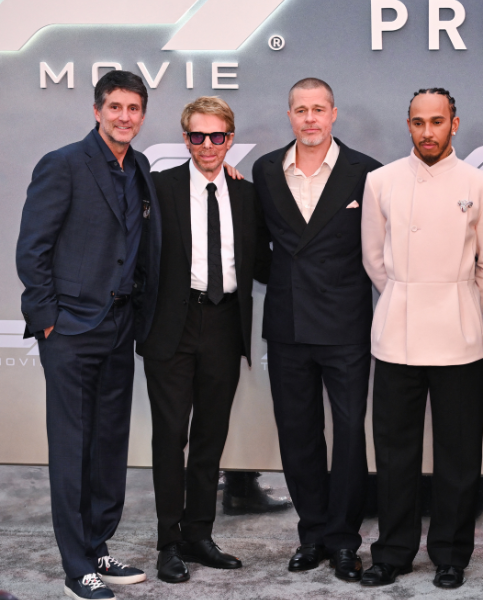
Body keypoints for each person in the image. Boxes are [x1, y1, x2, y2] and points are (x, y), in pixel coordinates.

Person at [15, 70, 162, 600]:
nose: (125, 116)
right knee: (72, 448)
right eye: (115, 107)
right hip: (71, 330)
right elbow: (32, 248)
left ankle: (98, 545)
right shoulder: (63, 164)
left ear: (142, 115)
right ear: (97, 110)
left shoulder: (140, 167)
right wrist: (48, 319)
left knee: (108, 445)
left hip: (120, 327)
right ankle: (77, 566)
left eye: (134, 108)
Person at [359, 88, 483, 590]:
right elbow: (373, 259)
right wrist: (407, 298)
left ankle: (450, 554)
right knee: (394, 452)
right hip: (396, 334)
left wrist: (459, 306)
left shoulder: (480, 185)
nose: (428, 131)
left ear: (453, 124)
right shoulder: (381, 181)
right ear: (409, 125)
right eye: (419, 122)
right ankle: (392, 552)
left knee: (458, 455)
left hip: (458, 336)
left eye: (437, 121)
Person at [251, 78, 382, 580]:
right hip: (287, 323)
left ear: (333, 114)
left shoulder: (366, 171)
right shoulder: (265, 170)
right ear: (290, 115)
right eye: (301, 109)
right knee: (298, 434)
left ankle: (344, 540)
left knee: (348, 435)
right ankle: (312, 535)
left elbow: (377, 249)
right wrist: (289, 282)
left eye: (319, 109)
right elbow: (257, 247)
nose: (310, 118)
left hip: (346, 325)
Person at [137, 96, 271, 583]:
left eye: (217, 136)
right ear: (185, 139)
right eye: (198, 136)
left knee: (210, 437)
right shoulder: (159, 187)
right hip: (171, 326)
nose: (208, 145)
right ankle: (169, 543)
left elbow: (264, 264)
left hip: (224, 323)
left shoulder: (248, 194)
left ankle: (199, 535)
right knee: (170, 437)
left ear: (230, 139)